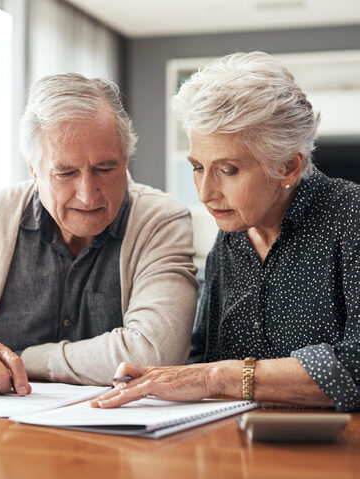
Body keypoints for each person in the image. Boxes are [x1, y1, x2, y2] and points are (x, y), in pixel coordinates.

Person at [0, 73, 198, 396]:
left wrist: (24, 359)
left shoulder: (161, 220)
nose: (88, 194)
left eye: (105, 168)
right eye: (65, 172)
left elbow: (154, 353)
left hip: (122, 441)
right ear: (33, 171)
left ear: (126, 160)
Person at [92, 51, 360, 412]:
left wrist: (217, 377)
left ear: (289, 167)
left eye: (228, 170)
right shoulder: (230, 238)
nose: (204, 193)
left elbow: (356, 367)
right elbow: (205, 355)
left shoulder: (350, 217)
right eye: (198, 167)